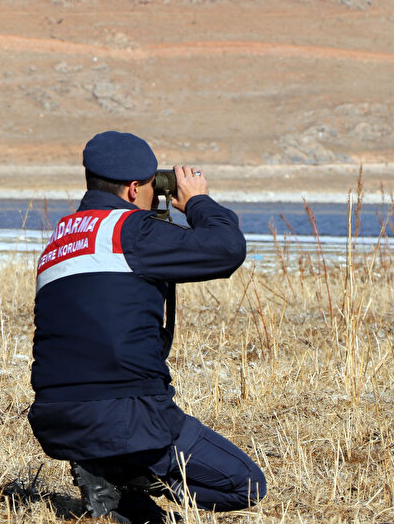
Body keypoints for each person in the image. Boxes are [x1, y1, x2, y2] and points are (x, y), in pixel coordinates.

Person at [29, 131, 265, 523]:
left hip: (56, 420)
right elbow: (227, 248)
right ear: (133, 188)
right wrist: (197, 202)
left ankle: (113, 483)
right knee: (246, 484)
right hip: (128, 415)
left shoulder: (58, 241)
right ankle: (125, 473)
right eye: (153, 188)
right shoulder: (131, 233)